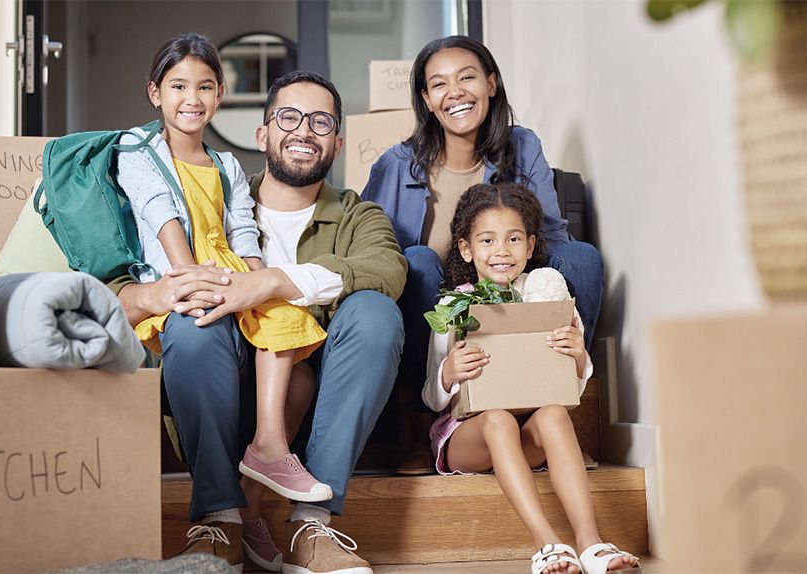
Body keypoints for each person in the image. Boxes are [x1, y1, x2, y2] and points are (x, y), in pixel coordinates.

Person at [111, 67, 407, 574]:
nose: (303, 131)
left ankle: (311, 525)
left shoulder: (359, 216)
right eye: (288, 117)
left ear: (337, 144)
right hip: (220, 400)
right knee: (190, 322)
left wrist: (270, 282)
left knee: (377, 313)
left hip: (321, 417)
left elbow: (387, 269)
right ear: (262, 134)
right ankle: (221, 519)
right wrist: (158, 293)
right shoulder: (214, 196)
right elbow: (116, 289)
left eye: (320, 122)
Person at [116, 34, 333, 510]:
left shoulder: (226, 164)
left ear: (220, 95)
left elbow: (241, 231)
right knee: (199, 329)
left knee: (284, 314)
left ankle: (269, 444)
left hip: (225, 269)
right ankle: (222, 494)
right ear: (155, 93)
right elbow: (158, 211)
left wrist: (256, 283)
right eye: (178, 87)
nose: (191, 99)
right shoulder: (137, 147)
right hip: (179, 269)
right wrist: (186, 275)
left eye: (205, 87)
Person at [361, 36, 604, 452]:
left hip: (511, 294)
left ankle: (554, 394)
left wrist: (517, 289)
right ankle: (419, 421)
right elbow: (374, 255)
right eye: (439, 84)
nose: (455, 92)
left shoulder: (522, 145)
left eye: (467, 78)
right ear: (426, 100)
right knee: (416, 261)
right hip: (434, 316)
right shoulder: (395, 164)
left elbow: (549, 237)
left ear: (491, 83)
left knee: (579, 258)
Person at [421, 183, 638, 574]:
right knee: (498, 419)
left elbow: (569, 387)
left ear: (530, 245)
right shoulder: (454, 305)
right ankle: (548, 543)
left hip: (526, 435)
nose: (502, 251)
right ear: (467, 249)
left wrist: (578, 355)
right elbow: (431, 397)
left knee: (554, 413)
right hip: (470, 438)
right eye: (487, 240)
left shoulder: (546, 298)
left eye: (514, 239)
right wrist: (448, 372)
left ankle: (590, 542)